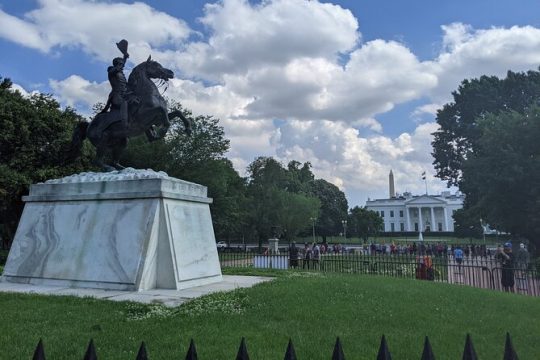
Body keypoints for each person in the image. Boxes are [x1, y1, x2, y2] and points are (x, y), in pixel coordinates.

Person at [101, 39, 131, 131]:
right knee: (124, 103)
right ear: (117, 64)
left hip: (125, 93)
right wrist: (123, 60)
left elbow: (121, 65)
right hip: (116, 96)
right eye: (121, 63)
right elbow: (117, 68)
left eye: (122, 64)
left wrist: (125, 57)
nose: (122, 65)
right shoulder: (112, 71)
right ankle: (125, 124)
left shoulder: (120, 72)